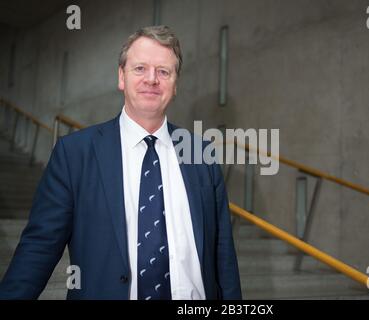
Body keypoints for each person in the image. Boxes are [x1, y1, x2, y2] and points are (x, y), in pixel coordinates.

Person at [0, 25, 242, 300]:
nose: (152, 79)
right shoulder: (75, 153)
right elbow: (39, 247)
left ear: (175, 85)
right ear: (121, 77)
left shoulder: (200, 153)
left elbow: (223, 255)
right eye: (140, 68)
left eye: (163, 71)